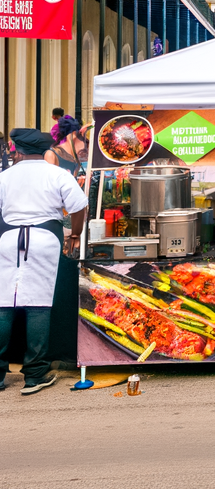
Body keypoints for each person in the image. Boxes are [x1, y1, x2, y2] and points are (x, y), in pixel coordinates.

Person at [0, 128, 88, 394]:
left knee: (4, 303)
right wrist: (75, 233)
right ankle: (35, 375)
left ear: (18, 150)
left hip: (8, 239)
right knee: (38, 303)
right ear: (45, 150)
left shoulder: (4, 176)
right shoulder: (57, 174)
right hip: (43, 239)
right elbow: (78, 206)